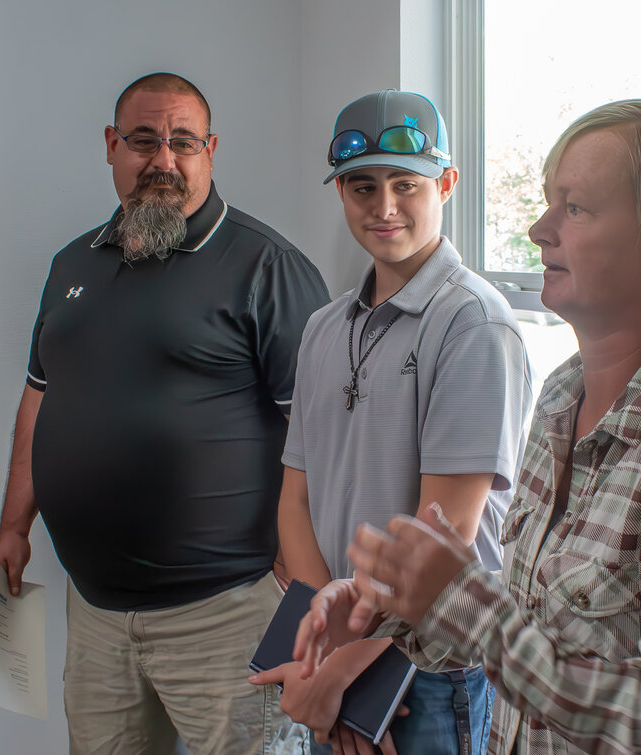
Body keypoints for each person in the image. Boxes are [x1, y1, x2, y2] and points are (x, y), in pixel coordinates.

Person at [292, 97, 641, 754]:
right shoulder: (562, 393)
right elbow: (544, 615)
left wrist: (474, 611)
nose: (537, 228)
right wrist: (402, 600)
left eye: (575, 208)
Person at [0, 72, 330, 754]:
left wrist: (297, 585)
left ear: (210, 150)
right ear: (112, 146)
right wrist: (12, 526)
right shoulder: (70, 264)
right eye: (144, 140)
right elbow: (39, 397)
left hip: (227, 616)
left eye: (182, 142)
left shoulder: (268, 267)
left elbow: (320, 435)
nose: (163, 160)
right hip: (95, 615)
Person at [248, 90, 533, 754]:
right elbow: (296, 498)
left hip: (431, 668)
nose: (384, 207)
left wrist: (346, 667)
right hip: (342, 656)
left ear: (447, 184)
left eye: (407, 184)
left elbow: (445, 538)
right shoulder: (323, 328)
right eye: (362, 186)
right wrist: (329, 656)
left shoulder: (474, 323)